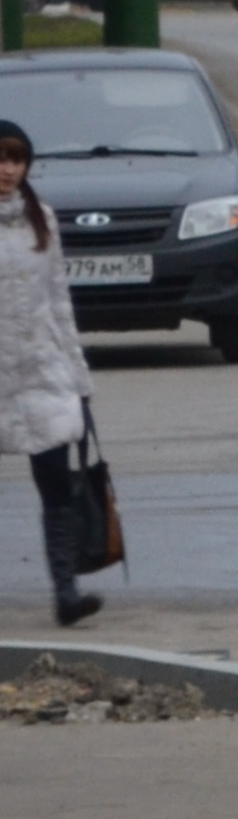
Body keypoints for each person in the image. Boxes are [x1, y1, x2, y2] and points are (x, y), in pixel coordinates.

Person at [0, 119, 111, 627]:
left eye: (17, 159)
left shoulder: (40, 218)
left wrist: (78, 378)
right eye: (1, 159)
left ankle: (66, 592)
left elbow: (59, 301)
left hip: (42, 370)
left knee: (58, 487)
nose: (8, 169)